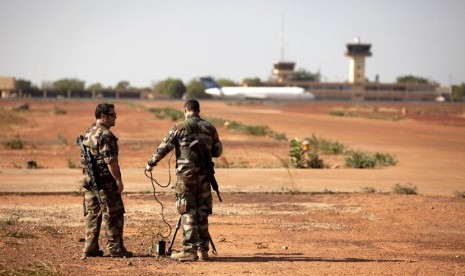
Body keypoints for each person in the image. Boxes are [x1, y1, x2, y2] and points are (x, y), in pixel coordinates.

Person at [145, 99, 222, 262]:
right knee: (202, 212)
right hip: (204, 178)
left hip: (185, 178)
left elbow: (164, 148)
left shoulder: (178, 127)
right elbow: (217, 151)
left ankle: (189, 250)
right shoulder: (209, 128)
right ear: (198, 110)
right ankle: (203, 251)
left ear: (185, 110)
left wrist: (150, 164)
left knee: (187, 211)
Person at [80, 103, 132, 259]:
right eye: (112, 115)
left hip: (89, 181)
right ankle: (115, 249)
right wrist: (118, 180)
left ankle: (90, 248)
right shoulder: (106, 135)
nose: (115, 117)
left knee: (92, 215)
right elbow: (110, 161)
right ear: (103, 117)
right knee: (113, 214)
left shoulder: (89, 132)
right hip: (105, 183)